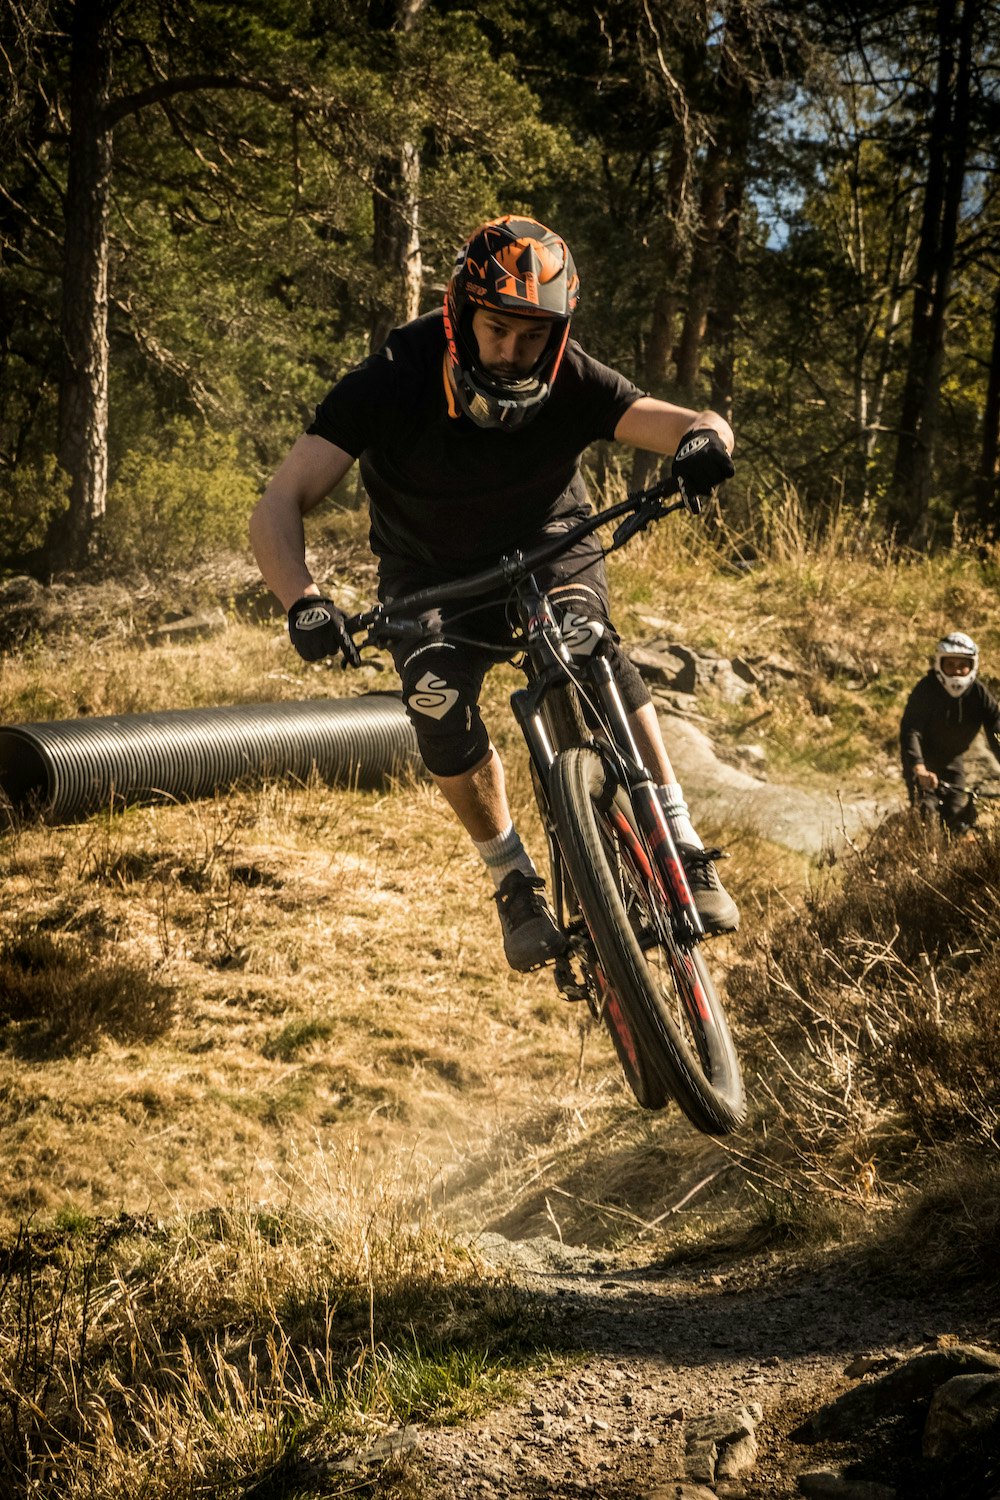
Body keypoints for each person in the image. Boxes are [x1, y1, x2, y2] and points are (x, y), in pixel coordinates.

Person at [250, 214, 739, 972]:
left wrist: (706, 446)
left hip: (551, 545)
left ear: (558, 330)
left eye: (533, 336)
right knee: (436, 698)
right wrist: (303, 600)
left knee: (590, 649)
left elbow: (692, 422)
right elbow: (281, 499)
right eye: (496, 330)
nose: (513, 353)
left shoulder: (571, 374)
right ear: (459, 311)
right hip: (430, 576)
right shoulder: (393, 374)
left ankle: (679, 841)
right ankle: (512, 879)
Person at [900, 631, 1000, 834]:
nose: (956, 671)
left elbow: (996, 726)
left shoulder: (979, 693)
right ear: (939, 664)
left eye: (962, 665)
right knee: (926, 811)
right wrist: (918, 768)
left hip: (953, 758)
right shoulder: (925, 690)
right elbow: (911, 731)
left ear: (972, 666)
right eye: (950, 665)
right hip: (923, 760)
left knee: (956, 814)